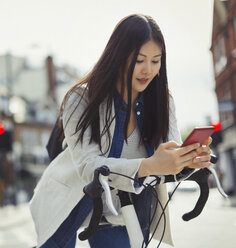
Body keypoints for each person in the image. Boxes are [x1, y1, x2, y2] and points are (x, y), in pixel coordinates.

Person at [29, 14, 213, 248]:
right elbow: (89, 167)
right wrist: (148, 166)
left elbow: (168, 154)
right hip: (70, 201)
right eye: (139, 60)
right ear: (118, 56)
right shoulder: (80, 98)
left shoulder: (163, 101)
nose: (148, 69)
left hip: (123, 210)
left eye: (156, 61)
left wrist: (188, 160)